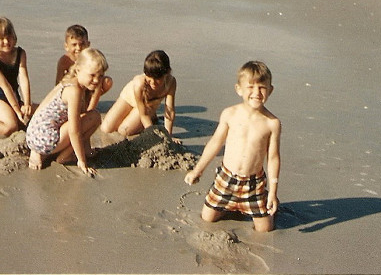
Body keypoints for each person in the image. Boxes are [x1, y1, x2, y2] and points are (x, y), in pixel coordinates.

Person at [184, 61, 281, 232]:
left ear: (270, 90)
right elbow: (215, 143)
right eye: (250, 87)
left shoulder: (272, 123)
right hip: (226, 178)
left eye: (262, 87)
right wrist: (197, 170)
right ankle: (231, 205)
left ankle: (260, 202)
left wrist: (273, 191)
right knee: (208, 218)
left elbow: (273, 158)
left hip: (253, 184)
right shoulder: (230, 114)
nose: (256, 92)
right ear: (239, 89)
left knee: (265, 230)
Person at [27, 48, 109, 176]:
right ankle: (64, 156)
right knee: (94, 117)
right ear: (78, 70)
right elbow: (74, 131)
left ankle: (40, 152)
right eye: (92, 75)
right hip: (45, 139)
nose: (97, 80)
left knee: (87, 116)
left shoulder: (68, 81)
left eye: (100, 76)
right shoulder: (74, 91)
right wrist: (82, 161)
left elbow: (43, 107)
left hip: (34, 134)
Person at [100, 50, 179, 141]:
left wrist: (167, 135)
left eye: (157, 78)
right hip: (130, 98)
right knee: (106, 129)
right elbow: (143, 114)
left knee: (123, 131)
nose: (153, 82)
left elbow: (169, 110)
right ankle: (151, 117)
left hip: (147, 105)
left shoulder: (171, 82)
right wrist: (152, 131)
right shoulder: (139, 84)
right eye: (149, 77)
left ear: (167, 73)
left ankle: (151, 116)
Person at [55, 24, 113, 111]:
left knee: (106, 81)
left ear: (88, 44)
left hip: (89, 86)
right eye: (74, 45)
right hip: (72, 88)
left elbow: (98, 85)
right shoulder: (65, 61)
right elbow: (58, 83)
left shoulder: (92, 60)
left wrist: (90, 109)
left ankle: (88, 105)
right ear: (66, 46)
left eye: (82, 44)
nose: (78, 48)